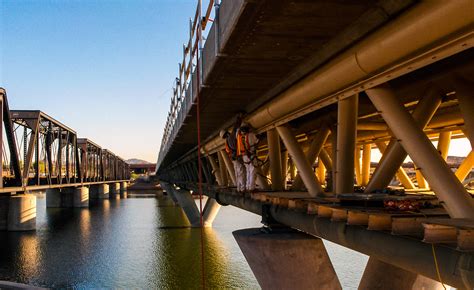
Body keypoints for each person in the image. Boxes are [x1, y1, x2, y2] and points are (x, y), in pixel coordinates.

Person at [219, 117, 246, 192]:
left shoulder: (227, 141)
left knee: (237, 173)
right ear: (227, 133)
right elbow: (235, 127)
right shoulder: (231, 137)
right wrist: (239, 118)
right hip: (237, 157)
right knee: (242, 172)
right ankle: (243, 188)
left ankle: (239, 188)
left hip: (233, 159)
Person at [237, 122, 259, 192]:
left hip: (244, 156)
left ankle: (248, 186)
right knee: (252, 171)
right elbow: (257, 141)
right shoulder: (251, 135)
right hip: (251, 155)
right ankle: (251, 188)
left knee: (248, 171)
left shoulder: (241, 137)